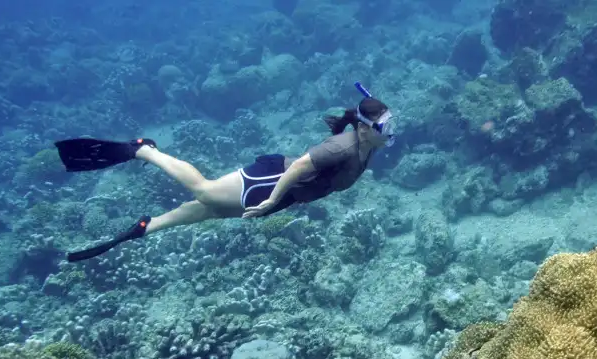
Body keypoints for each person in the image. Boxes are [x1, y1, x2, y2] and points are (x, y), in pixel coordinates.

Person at [56, 83, 396, 262]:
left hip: (285, 195)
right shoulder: (343, 147)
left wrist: (280, 202)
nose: (390, 130)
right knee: (205, 192)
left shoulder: (368, 145)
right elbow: (300, 165)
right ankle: (143, 149)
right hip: (270, 181)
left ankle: (147, 226)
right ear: (365, 129)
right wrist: (272, 200)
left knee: (211, 210)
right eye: (384, 125)